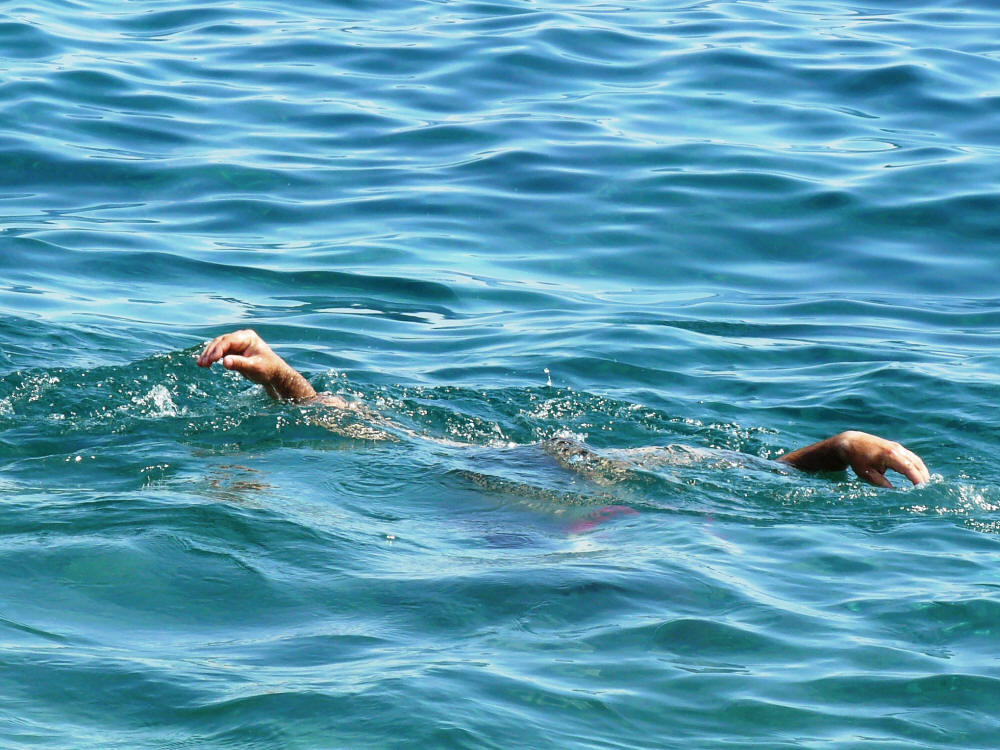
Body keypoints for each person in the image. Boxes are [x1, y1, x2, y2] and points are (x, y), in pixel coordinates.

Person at [196, 329, 931, 488]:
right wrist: (284, 379)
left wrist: (841, 447)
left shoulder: (624, 479)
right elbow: (368, 428)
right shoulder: (492, 472)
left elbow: (753, 471)